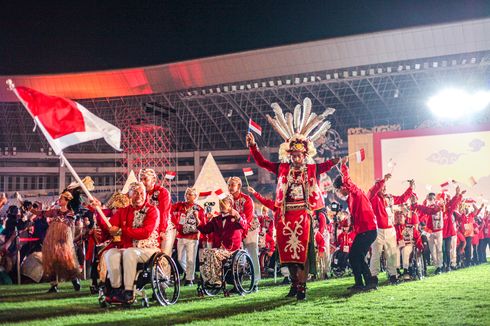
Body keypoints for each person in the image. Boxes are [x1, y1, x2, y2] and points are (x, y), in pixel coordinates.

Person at [247, 130, 338, 300]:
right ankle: (294, 283)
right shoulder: (281, 168)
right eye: (294, 155)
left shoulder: (311, 169)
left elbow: (326, 166)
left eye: (299, 155)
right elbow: (262, 162)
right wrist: (253, 146)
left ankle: (302, 287)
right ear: (289, 155)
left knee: (301, 252)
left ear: (305, 155)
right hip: (285, 216)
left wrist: (335, 160)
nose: (296, 159)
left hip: (303, 215)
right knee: (288, 255)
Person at [94, 182, 160, 304]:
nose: (139, 196)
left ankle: (129, 291)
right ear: (129, 195)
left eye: (141, 193)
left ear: (146, 195)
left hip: (148, 248)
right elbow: (110, 229)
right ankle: (116, 289)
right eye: (135, 193)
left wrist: (121, 230)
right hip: (128, 248)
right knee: (110, 254)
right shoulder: (123, 212)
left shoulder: (152, 210)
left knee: (130, 253)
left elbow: (145, 232)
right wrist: (99, 212)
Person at [333, 159, 377, 291]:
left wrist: (343, 166)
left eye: (338, 190)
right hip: (364, 230)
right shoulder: (352, 198)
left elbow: (347, 181)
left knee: (355, 256)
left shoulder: (355, 192)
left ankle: (365, 282)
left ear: (342, 187)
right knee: (355, 256)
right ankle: (366, 282)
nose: (339, 193)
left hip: (367, 229)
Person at [367, 174, 413, 285]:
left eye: (385, 186)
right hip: (378, 230)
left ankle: (393, 275)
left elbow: (402, 198)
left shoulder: (389, 198)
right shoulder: (373, 198)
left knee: (392, 254)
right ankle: (374, 276)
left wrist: (410, 188)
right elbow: (372, 192)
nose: (384, 188)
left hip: (390, 230)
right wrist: (384, 179)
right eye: (382, 186)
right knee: (376, 254)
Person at [197, 194, 247, 286]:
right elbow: (205, 230)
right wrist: (198, 220)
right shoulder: (216, 219)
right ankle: (209, 279)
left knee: (214, 253)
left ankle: (217, 279)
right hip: (218, 248)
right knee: (205, 252)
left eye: (224, 203)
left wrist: (237, 215)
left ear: (230, 205)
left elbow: (244, 226)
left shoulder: (237, 216)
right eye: (220, 203)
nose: (221, 205)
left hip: (231, 249)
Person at [38, 191, 81, 293]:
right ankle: (53, 285)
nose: (59, 200)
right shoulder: (55, 211)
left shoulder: (70, 213)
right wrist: (30, 209)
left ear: (67, 201)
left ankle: (74, 280)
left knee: (66, 261)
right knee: (51, 261)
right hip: (52, 241)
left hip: (64, 241)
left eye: (61, 199)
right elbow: (42, 213)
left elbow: (69, 228)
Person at [227, 176, 259, 290]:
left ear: (239, 186)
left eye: (232, 185)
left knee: (252, 254)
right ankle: (237, 283)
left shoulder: (247, 200)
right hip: (237, 230)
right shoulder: (228, 201)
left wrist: (242, 234)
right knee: (237, 257)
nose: (230, 188)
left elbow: (248, 220)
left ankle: (255, 283)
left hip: (250, 229)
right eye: (229, 185)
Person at [171, 187, 204, 286]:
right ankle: (189, 273)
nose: (187, 196)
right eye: (186, 194)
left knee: (191, 259)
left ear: (195, 196)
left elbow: (203, 223)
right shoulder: (180, 205)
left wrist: (199, 233)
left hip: (192, 236)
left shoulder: (199, 208)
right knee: (180, 258)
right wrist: (175, 223)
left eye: (190, 194)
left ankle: (190, 279)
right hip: (181, 236)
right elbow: (170, 209)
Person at [139, 168, 172, 255]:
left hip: (165, 228)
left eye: (145, 179)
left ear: (154, 179)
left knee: (163, 257)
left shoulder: (162, 192)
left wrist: (162, 230)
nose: (142, 182)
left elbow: (164, 212)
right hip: (148, 230)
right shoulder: (139, 194)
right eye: (140, 179)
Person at [412, 193, 444, 274]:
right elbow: (423, 214)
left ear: (434, 198)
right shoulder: (428, 207)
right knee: (432, 250)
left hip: (438, 230)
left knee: (439, 249)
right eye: (429, 198)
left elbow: (429, 211)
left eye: (431, 197)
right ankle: (437, 266)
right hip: (430, 231)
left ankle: (440, 266)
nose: (430, 199)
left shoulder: (438, 206)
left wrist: (418, 205)